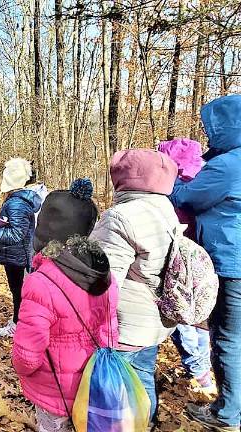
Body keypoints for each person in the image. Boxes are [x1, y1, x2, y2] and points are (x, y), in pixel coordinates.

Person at [13, 178, 118, 432]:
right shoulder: (104, 272)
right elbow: (111, 328)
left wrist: (22, 368)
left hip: (55, 392)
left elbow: (27, 354)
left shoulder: (40, 283)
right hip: (96, 383)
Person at [89, 149, 179, 426]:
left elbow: (103, 278)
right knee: (143, 376)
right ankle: (146, 423)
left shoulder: (121, 216)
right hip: (155, 318)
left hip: (125, 323)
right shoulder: (165, 209)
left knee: (116, 389)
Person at [170, 94, 241, 432]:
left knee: (228, 338)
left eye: (213, 128)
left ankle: (228, 414)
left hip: (232, 265)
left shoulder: (228, 165)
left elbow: (188, 198)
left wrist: (168, 182)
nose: (208, 135)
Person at [157, 137, 216, 395]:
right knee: (198, 319)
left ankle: (200, 373)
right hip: (205, 262)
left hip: (178, 265)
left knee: (181, 320)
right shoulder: (205, 185)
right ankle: (202, 368)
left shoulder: (172, 192)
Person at [0, 158, 42, 338]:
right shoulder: (16, 200)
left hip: (17, 256)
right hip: (15, 255)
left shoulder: (16, 203)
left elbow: (16, 234)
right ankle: (18, 322)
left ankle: (18, 325)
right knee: (18, 291)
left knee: (19, 292)